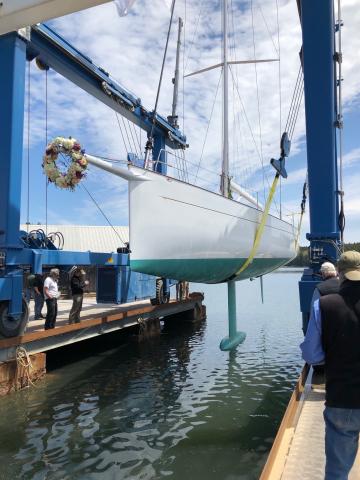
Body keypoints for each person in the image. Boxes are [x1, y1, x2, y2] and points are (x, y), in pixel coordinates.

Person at [300, 250, 360, 480]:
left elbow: (312, 355)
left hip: (342, 398)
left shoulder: (324, 305)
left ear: (340, 274)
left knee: (337, 471)